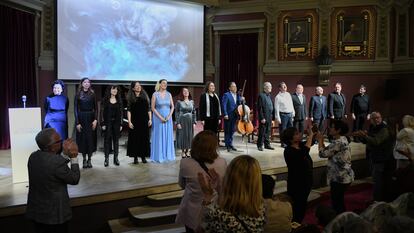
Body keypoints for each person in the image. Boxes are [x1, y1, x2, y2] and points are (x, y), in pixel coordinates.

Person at [26, 128, 80, 233]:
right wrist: (73, 157)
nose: (62, 143)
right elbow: (74, 179)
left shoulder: (33, 157)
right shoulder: (56, 163)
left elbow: (53, 166)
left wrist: (64, 154)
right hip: (54, 216)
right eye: (59, 141)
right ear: (51, 147)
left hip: (37, 212)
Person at [176, 131, 227, 233]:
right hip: (214, 210)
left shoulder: (185, 163)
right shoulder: (222, 162)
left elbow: (182, 185)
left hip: (192, 211)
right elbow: (223, 188)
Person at [198, 155, 265, 232]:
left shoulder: (219, 215)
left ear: (229, 178)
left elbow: (200, 230)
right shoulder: (262, 208)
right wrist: (219, 189)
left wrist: (207, 196)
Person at [354, 112, 396, 201]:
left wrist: (365, 135)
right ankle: (377, 198)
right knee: (375, 179)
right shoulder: (374, 128)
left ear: (381, 118)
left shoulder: (384, 129)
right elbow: (368, 141)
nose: (376, 120)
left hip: (382, 159)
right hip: (375, 157)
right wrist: (362, 136)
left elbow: (376, 141)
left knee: (378, 181)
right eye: (374, 118)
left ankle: (377, 200)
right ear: (371, 120)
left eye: (378, 117)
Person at [316, 120, 354, 214]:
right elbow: (328, 151)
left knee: (337, 204)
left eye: (332, 127)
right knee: (338, 201)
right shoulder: (343, 139)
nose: (330, 128)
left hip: (339, 177)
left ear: (338, 130)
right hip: (344, 176)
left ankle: (340, 223)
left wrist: (320, 140)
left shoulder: (338, 142)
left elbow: (322, 153)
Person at [281, 126, 314, 223]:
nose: (299, 134)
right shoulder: (289, 150)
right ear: (291, 139)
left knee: (303, 205)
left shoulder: (301, 145)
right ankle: (295, 224)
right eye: (296, 134)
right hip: (296, 184)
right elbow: (303, 153)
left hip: (306, 182)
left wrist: (311, 133)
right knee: (297, 207)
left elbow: (311, 142)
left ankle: (298, 224)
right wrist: (310, 136)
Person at [74, 77, 97, 169]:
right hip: (82, 118)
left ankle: (89, 160)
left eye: (88, 82)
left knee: (90, 139)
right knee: (83, 139)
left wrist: (95, 120)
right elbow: (75, 109)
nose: (87, 83)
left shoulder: (93, 94)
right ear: (82, 83)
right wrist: (77, 122)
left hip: (91, 118)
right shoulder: (78, 94)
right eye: (85, 82)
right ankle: (84, 159)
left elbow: (96, 108)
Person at [150, 79, 175, 162]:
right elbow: (153, 108)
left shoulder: (169, 94)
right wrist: (160, 117)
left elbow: (172, 107)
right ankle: (158, 156)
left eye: (166, 84)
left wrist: (169, 116)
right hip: (158, 118)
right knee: (159, 136)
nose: (165, 85)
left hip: (168, 118)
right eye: (163, 83)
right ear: (160, 84)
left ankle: (167, 155)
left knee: (167, 136)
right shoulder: (155, 94)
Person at [127, 81, 151, 164]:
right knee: (135, 139)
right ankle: (135, 157)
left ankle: (143, 157)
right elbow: (129, 110)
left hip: (144, 121)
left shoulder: (145, 96)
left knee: (144, 139)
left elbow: (149, 109)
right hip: (135, 121)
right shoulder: (130, 98)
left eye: (139, 85)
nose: (138, 87)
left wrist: (150, 119)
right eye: (136, 86)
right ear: (133, 88)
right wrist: (129, 122)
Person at [100, 85, 123, 167]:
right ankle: (106, 159)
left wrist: (121, 124)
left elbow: (121, 113)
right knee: (106, 141)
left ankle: (116, 158)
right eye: (113, 89)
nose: (115, 90)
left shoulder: (119, 100)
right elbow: (101, 112)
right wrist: (102, 123)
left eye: (116, 89)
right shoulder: (105, 100)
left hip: (116, 123)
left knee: (116, 141)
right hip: (107, 123)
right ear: (110, 90)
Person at [175, 88, 197, 158]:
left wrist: (194, 122)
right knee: (182, 135)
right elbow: (176, 112)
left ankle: (188, 151)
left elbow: (194, 112)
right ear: (182, 93)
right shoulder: (179, 102)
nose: (186, 92)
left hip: (190, 121)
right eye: (184, 91)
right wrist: (178, 122)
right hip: (182, 120)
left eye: (187, 91)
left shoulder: (192, 102)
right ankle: (183, 151)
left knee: (189, 135)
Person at [222, 82, 243, 152]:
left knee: (232, 131)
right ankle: (227, 145)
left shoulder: (237, 95)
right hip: (228, 115)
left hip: (235, 116)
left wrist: (242, 99)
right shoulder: (226, 95)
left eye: (235, 86)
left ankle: (231, 144)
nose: (235, 88)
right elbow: (224, 105)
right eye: (233, 86)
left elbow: (239, 104)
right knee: (227, 131)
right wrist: (225, 114)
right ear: (230, 88)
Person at [274, 82, 295, 147]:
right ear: (280, 88)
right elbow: (276, 108)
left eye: (285, 86)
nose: (285, 87)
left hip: (290, 114)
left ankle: (290, 142)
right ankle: (283, 143)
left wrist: (293, 112)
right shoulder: (278, 97)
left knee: (290, 130)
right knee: (283, 130)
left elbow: (291, 104)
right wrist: (278, 117)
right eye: (283, 86)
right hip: (283, 115)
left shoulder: (288, 94)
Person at [257, 82, 274, 151]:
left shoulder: (269, 96)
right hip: (264, 117)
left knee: (268, 131)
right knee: (262, 131)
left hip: (269, 116)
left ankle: (267, 144)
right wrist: (262, 118)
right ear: (265, 88)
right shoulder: (261, 95)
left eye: (271, 86)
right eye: (269, 86)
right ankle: (260, 145)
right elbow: (260, 108)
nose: (271, 88)